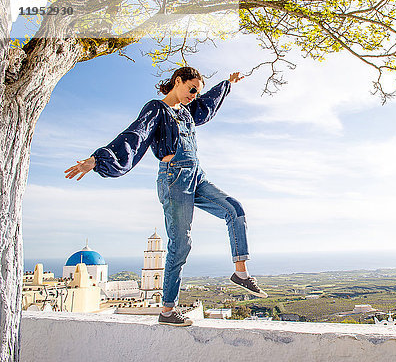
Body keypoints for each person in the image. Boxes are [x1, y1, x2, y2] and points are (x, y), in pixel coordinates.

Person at [64, 66, 268, 327]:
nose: (194, 95)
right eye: (191, 88)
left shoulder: (187, 112)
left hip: (197, 176)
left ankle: (240, 272)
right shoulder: (157, 109)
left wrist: (227, 83)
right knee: (180, 245)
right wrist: (97, 159)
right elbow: (134, 135)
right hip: (174, 180)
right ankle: (168, 310)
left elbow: (208, 104)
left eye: (197, 91)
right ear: (178, 81)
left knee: (235, 210)